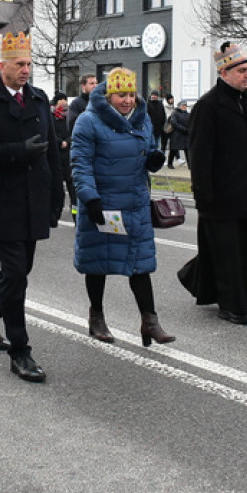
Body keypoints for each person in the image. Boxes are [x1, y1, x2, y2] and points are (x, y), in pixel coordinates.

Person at [0, 31, 63, 383]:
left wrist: (57, 196)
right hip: (3, 201)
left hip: (34, 199)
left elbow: (51, 149)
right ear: (1, 66)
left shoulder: (38, 99)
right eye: (19, 64)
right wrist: (17, 151)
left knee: (19, 270)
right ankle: (20, 351)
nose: (26, 70)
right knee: (16, 273)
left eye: (28, 64)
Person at [71, 68, 173, 345]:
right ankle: (97, 316)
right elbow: (80, 164)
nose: (127, 100)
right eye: (120, 95)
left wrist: (153, 159)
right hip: (104, 204)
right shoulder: (88, 121)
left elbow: (150, 148)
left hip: (135, 203)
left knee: (140, 263)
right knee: (99, 262)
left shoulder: (142, 120)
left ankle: (149, 321)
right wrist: (89, 198)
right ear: (108, 94)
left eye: (130, 94)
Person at [186, 43, 247, 325]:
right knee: (227, 255)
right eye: (242, 70)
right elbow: (199, 155)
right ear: (224, 72)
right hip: (222, 197)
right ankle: (231, 305)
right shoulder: (208, 106)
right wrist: (204, 195)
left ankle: (242, 298)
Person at [51, 91, 77, 220]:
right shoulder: (51, 116)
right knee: (57, 189)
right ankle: (55, 214)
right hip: (56, 155)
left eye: (65, 99)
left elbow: (74, 131)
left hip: (69, 156)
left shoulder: (69, 116)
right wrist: (60, 142)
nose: (63, 102)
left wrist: (68, 141)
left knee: (73, 189)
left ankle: (75, 214)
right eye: (60, 100)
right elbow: (49, 133)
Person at [166, 101, 190, 169]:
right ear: (179, 106)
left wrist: (189, 129)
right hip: (176, 134)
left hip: (185, 134)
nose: (184, 107)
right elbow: (174, 122)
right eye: (183, 105)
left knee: (187, 150)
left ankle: (190, 165)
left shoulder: (188, 114)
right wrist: (183, 129)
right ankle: (170, 164)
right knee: (173, 150)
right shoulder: (175, 113)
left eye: (185, 105)